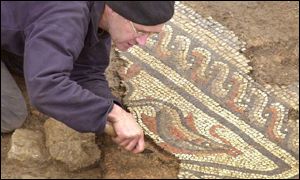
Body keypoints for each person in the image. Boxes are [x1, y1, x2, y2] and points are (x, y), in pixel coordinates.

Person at [1, 1, 175, 154]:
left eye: (151, 35)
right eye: (140, 31)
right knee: (11, 114)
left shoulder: (100, 14)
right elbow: (45, 88)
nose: (142, 41)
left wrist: (112, 109)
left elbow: (87, 72)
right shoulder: (65, 15)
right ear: (115, 10)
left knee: (47, 60)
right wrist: (110, 113)